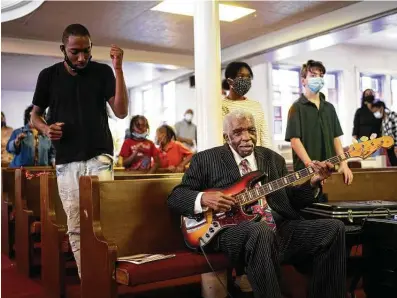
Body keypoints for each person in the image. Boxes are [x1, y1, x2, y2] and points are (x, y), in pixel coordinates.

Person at [168, 110, 346, 298]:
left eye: (251, 130)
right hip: (230, 231)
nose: (246, 137)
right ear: (226, 137)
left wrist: (312, 183)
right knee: (260, 231)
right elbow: (176, 197)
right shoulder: (205, 160)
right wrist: (204, 198)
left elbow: (290, 199)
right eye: (238, 132)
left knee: (333, 229)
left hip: (277, 228)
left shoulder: (272, 159)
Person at [30, 24, 128, 277]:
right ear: (63, 49)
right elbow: (35, 116)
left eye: (86, 51)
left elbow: (120, 111)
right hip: (66, 158)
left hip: (99, 154)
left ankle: (106, 276)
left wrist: (118, 69)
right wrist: (46, 129)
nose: (82, 58)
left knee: (102, 219)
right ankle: (90, 281)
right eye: (75, 52)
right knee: (75, 223)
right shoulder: (48, 76)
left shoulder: (103, 72)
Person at [285, 59, 353, 185]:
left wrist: (343, 163)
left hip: (330, 171)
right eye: (313, 75)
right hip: (306, 174)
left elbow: (336, 138)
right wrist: (311, 165)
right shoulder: (296, 108)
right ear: (303, 80)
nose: (318, 79)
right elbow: (295, 141)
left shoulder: (329, 108)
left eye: (321, 76)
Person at [222, 61, 272, 149]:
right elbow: (223, 138)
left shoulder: (256, 106)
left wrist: (269, 158)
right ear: (230, 81)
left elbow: (264, 136)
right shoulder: (222, 106)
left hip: (256, 158)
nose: (245, 80)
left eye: (248, 77)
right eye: (241, 76)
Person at [370, 100, 397, 166]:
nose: (375, 114)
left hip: (395, 145)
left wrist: (396, 146)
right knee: (393, 165)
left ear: (381, 108)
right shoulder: (383, 121)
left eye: (376, 111)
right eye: (373, 112)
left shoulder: (393, 115)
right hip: (389, 147)